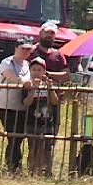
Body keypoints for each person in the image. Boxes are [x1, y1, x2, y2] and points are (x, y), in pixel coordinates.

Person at [27, 21, 69, 176]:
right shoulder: (32, 52)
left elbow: (66, 75)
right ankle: (32, 169)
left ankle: (46, 170)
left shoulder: (59, 55)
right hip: (35, 102)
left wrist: (46, 75)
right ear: (40, 33)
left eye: (52, 33)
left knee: (50, 139)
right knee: (33, 139)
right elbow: (27, 71)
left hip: (53, 102)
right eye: (47, 33)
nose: (49, 36)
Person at [0, 39, 36, 174]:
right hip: (6, 105)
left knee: (18, 137)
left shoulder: (27, 64)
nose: (26, 52)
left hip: (22, 106)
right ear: (16, 48)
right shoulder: (7, 62)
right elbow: (9, 76)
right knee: (13, 135)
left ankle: (14, 165)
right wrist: (23, 82)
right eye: (23, 49)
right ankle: (13, 165)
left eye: (28, 49)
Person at [24, 57, 59, 177]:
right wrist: (33, 88)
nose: (36, 72)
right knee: (33, 148)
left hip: (47, 122)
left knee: (47, 149)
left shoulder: (49, 84)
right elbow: (26, 102)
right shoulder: (27, 85)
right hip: (31, 122)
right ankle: (32, 171)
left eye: (39, 69)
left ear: (44, 71)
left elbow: (55, 101)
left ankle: (46, 172)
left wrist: (51, 88)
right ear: (30, 71)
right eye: (33, 69)